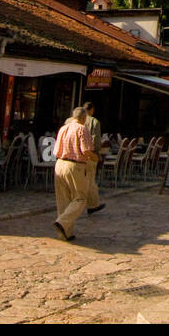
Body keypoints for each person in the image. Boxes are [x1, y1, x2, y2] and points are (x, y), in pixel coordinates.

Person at [52, 107, 99, 242]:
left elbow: (56, 150)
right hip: (75, 166)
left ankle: (66, 233)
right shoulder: (81, 129)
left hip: (60, 164)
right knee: (80, 198)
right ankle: (62, 222)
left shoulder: (63, 128)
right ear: (84, 118)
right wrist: (95, 157)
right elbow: (86, 151)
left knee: (63, 199)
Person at [82, 102, 104, 214]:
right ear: (92, 109)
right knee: (90, 180)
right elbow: (96, 141)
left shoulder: (73, 121)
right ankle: (91, 205)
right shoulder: (94, 122)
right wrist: (96, 152)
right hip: (90, 154)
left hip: (77, 156)